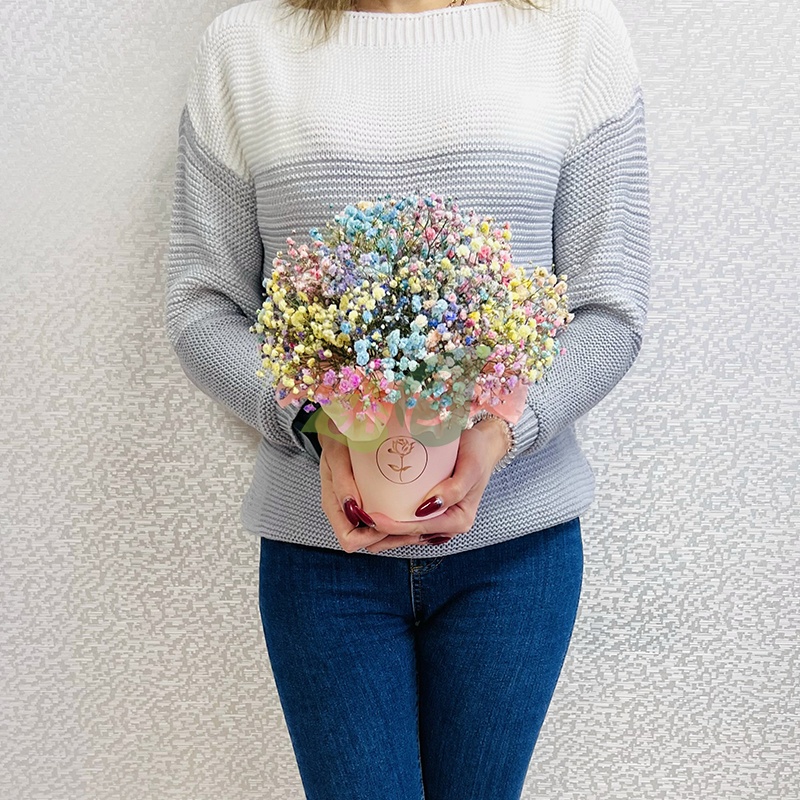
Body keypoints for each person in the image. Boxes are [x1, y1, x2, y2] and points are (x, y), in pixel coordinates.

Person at [165, 0, 650, 796]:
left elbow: (609, 308)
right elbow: (203, 305)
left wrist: (499, 433)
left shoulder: (576, 36)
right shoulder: (244, 50)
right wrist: (318, 427)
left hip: (515, 554)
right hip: (322, 560)